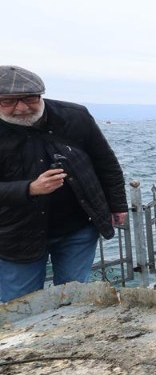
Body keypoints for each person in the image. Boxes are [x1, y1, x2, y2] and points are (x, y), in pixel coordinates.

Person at [0, 66, 127, 301]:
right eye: (8, 102)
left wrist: (117, 205)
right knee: (19, 305)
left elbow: (105, 162)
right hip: (16, 234)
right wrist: (29, 189)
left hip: (77, 227)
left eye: (29, 98)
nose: (21, 108)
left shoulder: (74, 116)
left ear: (41, 95)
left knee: (74, 299)